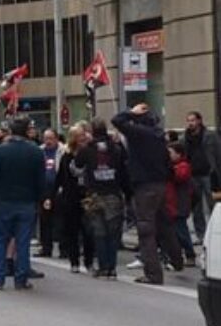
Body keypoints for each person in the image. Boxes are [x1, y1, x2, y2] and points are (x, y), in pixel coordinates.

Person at [112, 104, 183, 284]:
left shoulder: (139, 134)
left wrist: (131, 113)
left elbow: (117, 121)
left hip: (144, 185)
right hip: (160, 184)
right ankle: (177, 259)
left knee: (146, 230)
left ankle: (153, 274)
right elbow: (167, 162)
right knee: (164, 223)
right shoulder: (159, 136)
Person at [0, 117, 45, 291]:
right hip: (26, 201)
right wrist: (38, 199)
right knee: (23, 241)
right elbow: (40, 181)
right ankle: (21, 278)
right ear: (27, 132)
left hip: (4, 200)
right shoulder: (35, 152)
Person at [75, 118, 131, 279]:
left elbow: (77, 165)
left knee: (99, 233)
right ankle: (112, 268)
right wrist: (128, 193)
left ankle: (103, 266)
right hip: (113, 193)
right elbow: (124, 170)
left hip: (94, 194)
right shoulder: (116, 148)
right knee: (113, 234)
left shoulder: (87, 149)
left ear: (92, 131)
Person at [55, 125, 93, 273]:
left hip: (87, 195)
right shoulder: (67, 155)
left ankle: (89, 261)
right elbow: (61, 177)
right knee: (72, 230)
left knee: (88, 230)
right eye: (79, 136)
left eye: (83, 135)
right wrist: (52, 194)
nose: (82, 138)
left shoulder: (90, 152)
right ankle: (74, 261)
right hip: (71, 196)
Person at [183, 111, 221, 246]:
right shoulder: (186, 137)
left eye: (192, 120)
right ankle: (201, 235)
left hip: (209, 174)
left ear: (199, 121)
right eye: (188, 120)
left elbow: (218, 154)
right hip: (193, 175)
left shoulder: (210, 135)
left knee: (213, 205)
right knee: (196, 207)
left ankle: (215, 233)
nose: (190, 123)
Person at [167, 142, 197, 267]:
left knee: (181, 232)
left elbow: (179, 177)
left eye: (170, 153)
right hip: (172, 204)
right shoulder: (173, 166)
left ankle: (190, 254)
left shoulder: (183, 166)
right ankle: (177, 255)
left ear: (179, 154)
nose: (168, 156)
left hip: (180, 204)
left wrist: (169, 169)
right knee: (175, 232)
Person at [37, 129, 66, 258]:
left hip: (59, 190)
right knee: (44, 220)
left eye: (50, 138)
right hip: (44, 190)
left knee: (61, 220)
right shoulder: (39, 151)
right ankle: (46, 247)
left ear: (56, 139)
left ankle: (64, 248)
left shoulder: (63, 151)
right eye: (45, 138)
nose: (48, 141)